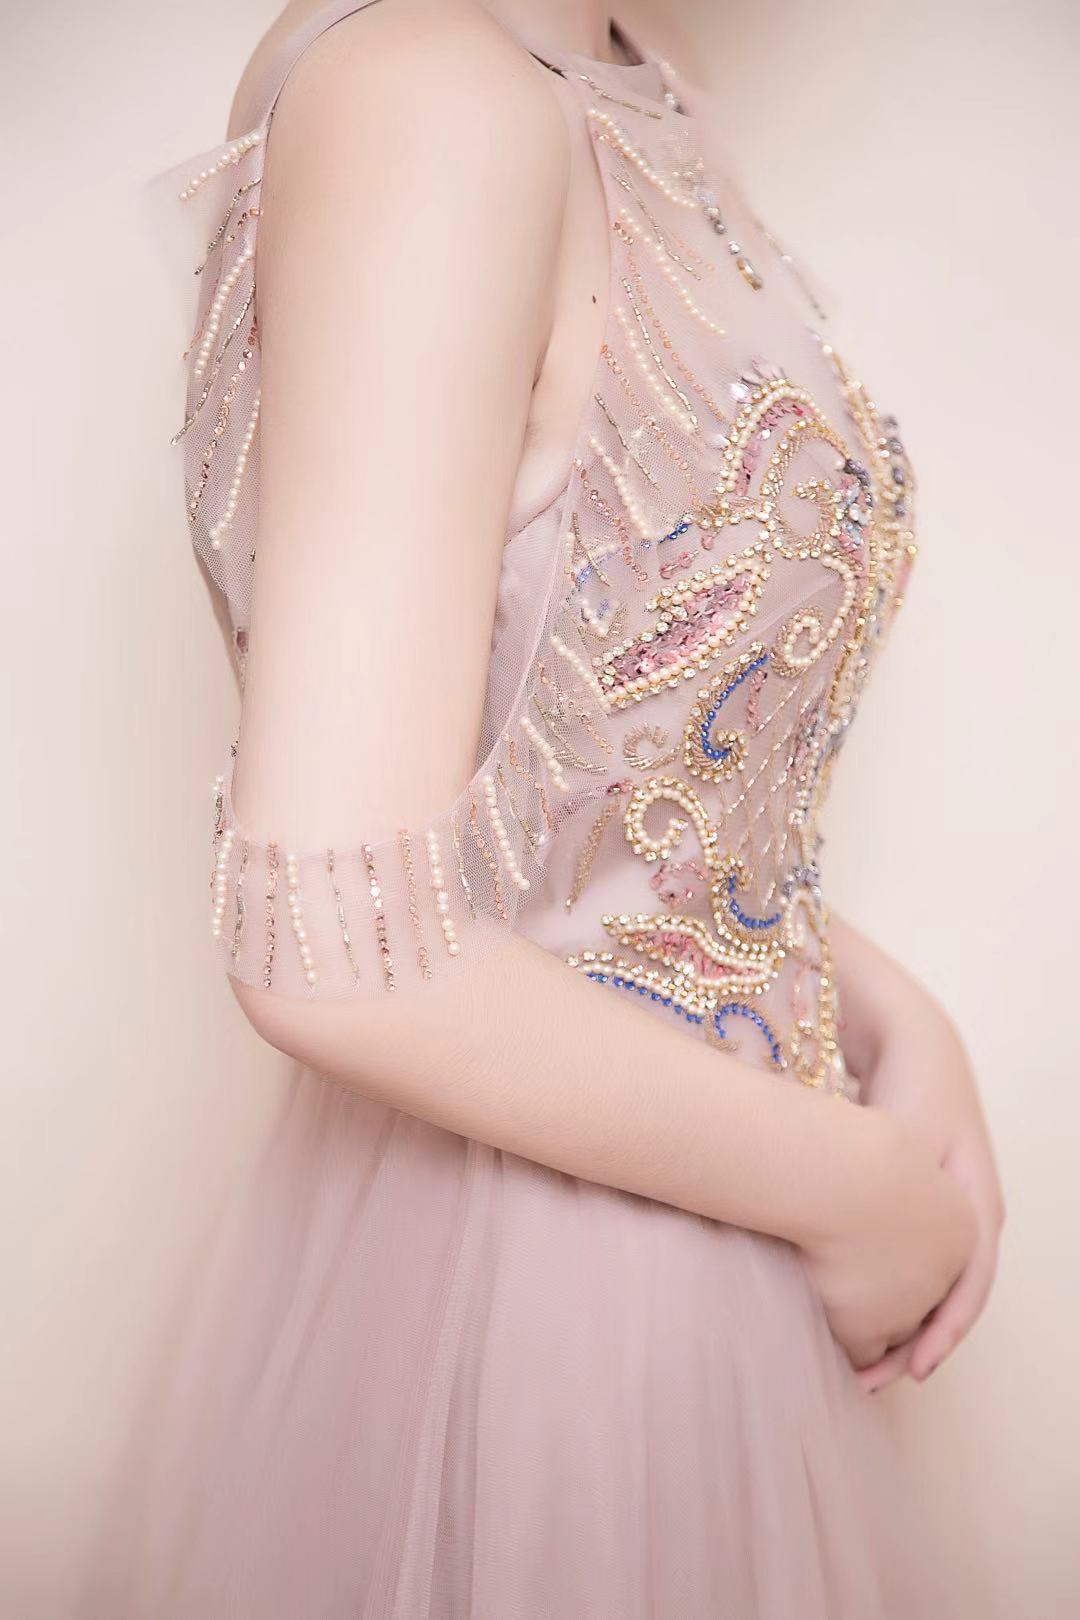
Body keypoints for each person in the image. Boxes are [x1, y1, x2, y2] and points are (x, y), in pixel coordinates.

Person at [101, 1, 1003, 1612]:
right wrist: (861, 1189)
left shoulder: (621, 72)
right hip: (555, 1279)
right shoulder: (431, 98)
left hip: (684, 1192)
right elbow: (335, 947)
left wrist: (879, 1007)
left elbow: (569, 778)